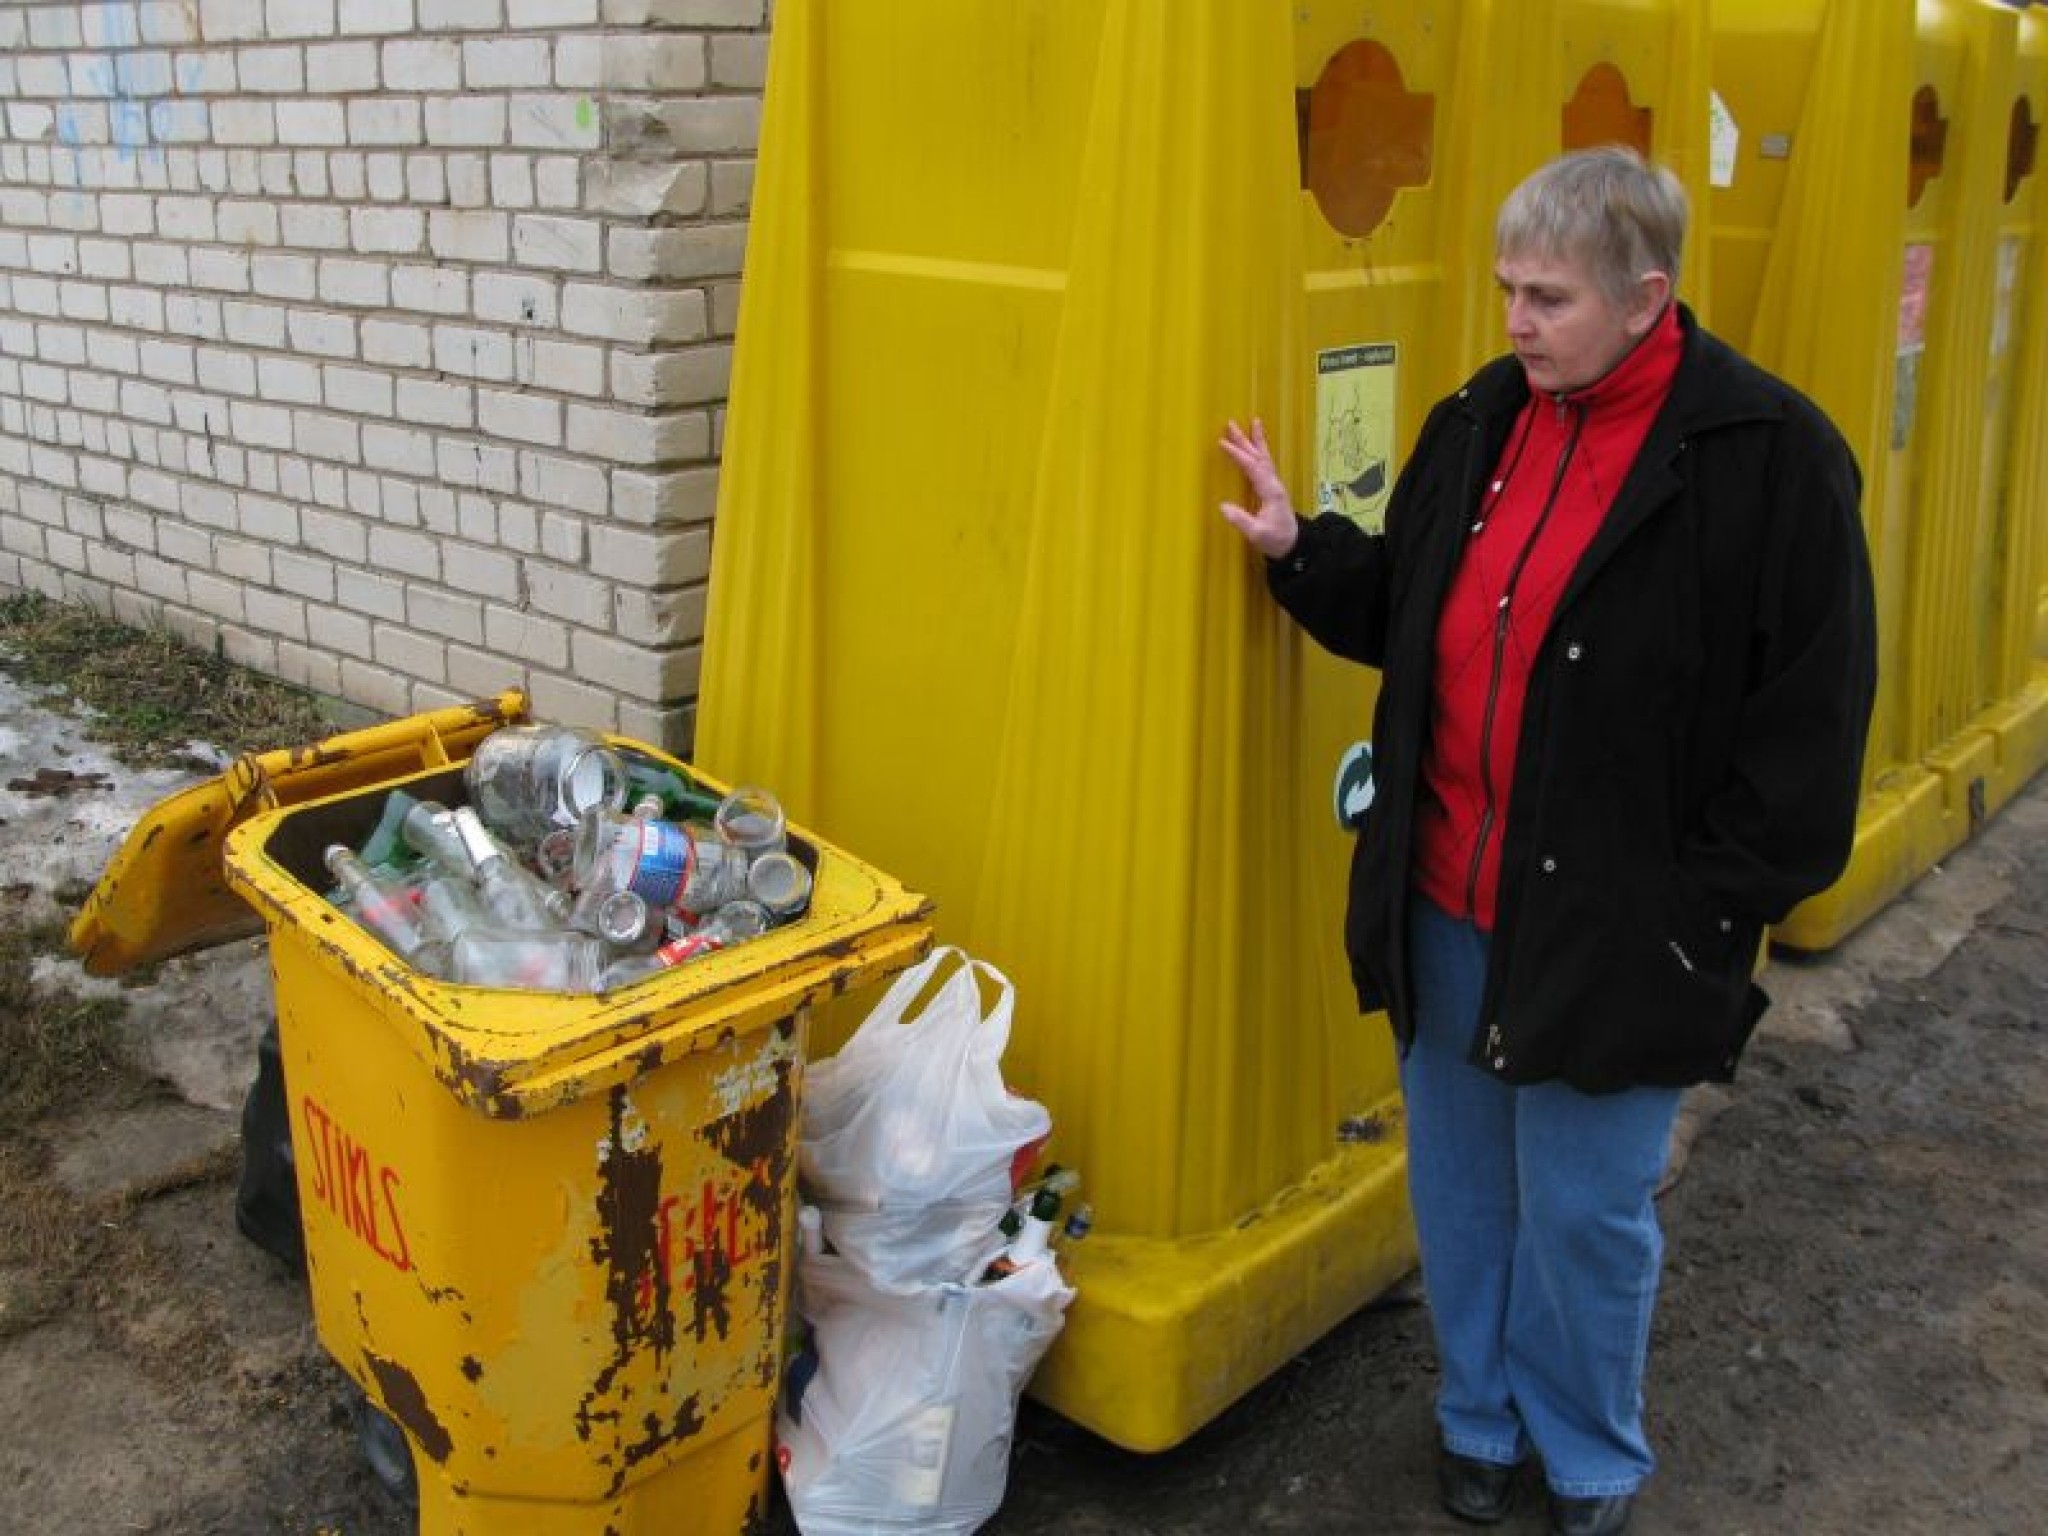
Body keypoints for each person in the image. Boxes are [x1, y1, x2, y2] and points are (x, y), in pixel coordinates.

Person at [1218, 146, 1876, 1536]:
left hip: (1625, 927)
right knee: (1461, 1188)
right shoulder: (1482, 421)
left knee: (1586, 1214)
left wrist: (1709, 911)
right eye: (1509, 287)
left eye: (1550, 296)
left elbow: (1808, 734)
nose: (1516, 319)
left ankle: (1587, 1454)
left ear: (1650, 296)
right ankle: (1478, 1418)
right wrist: (1299, 549)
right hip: (1448, 896)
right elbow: (1412, 606)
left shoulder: (1770, 460)